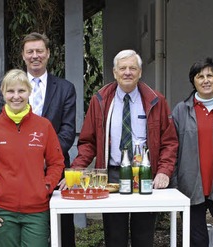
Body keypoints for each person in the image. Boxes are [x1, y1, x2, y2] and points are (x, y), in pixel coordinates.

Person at [71, 49, 178, 246]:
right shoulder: (100, 100)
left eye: (132, 68)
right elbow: (88, 142)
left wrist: (164, 171)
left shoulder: (157, 101)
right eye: (123, 68)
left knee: (143, 236)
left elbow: (169, 142)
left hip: (144, 175)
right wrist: (77, 168)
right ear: (114, 72)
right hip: (111, 175)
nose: (127, 72)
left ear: (140, 72)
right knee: (114, 237)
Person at [0, 32, 77, 246]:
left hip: (55, 169)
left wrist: (45, 158)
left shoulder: (66, 88)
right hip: (17, 173)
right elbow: (1, 128)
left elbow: (68, 131)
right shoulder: (9, 87)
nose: (35, 56)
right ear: (23, 55)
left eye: (39, 51)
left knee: (62, 229)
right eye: (30, 51)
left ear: (48, 53)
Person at [0, 69, 64, 246]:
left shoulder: (44, 126)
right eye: (10, 91)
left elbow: (56, 162)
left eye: (21, 91)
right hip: (1, 212)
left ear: (29, 92)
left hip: (36, 211)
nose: (16, 96)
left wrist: (45, 186)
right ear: (3, 94)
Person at [170, 57, 213, 247]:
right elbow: (172, 149)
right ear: (193, 81)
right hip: (190, 185)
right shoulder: (181, 110)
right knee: (196, 240)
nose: (205, 80)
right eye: (200, 76)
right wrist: (175, 183)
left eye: (210, 75)